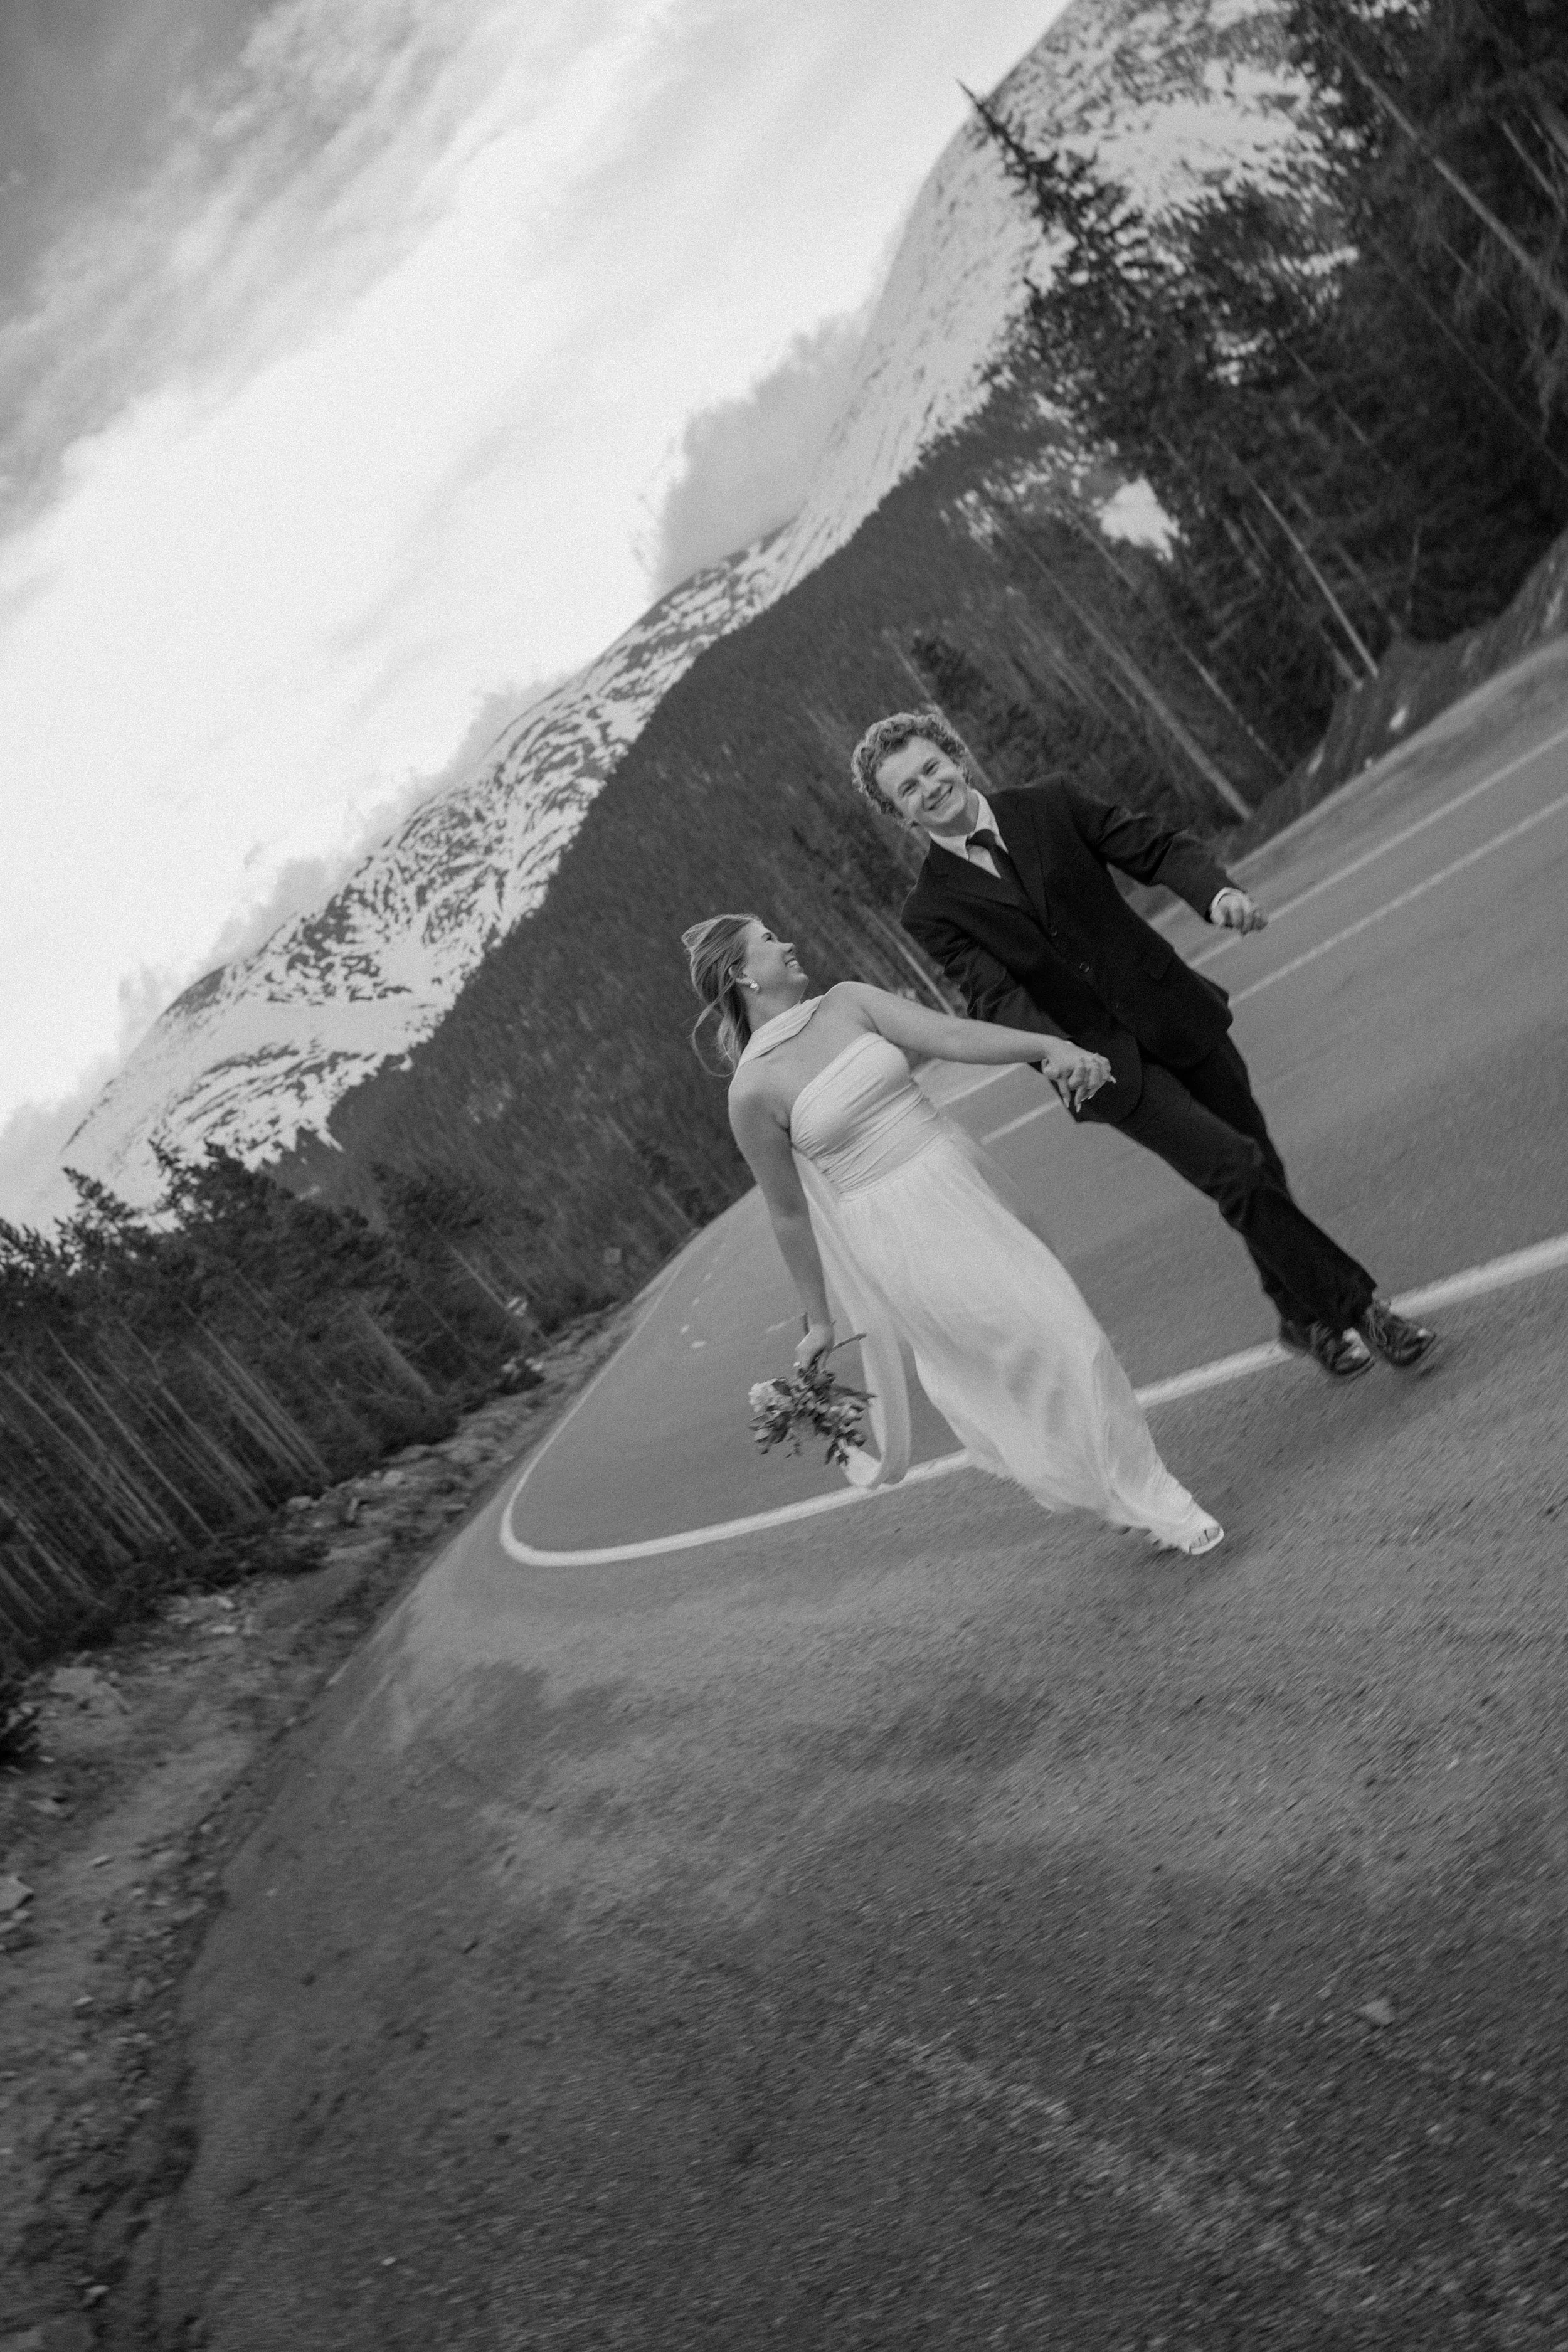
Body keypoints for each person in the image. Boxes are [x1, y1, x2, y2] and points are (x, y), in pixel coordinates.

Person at [850, 708, 1436, 1381]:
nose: (928, 787)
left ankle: (1299, 1316)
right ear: (900, 815)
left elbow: (1155, 847)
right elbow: (994, 996)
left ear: (955, 757)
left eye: (931, 767)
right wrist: (1051, 1050)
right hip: (1099, 1068)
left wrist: (1214, 894)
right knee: (1235, 1170)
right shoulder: (930, 909)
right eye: (908, 789)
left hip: (1173, 1010)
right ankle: (1361, 1311)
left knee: (1257, 1169)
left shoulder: (1050, 802)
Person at [682, 911, 1225, 1556]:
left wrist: (1043, 1047)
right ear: (742, 973)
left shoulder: (848, 1002)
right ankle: (1158, 1500)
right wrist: (821, 1322)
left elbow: (948, 1035)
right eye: (769, 941)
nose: (789, 942)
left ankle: (1106, 1483)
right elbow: (789, 1213)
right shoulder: (751, 1091)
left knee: (1058, 1332)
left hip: (964, 1178)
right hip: (898, 1231)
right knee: (1047, 1343)